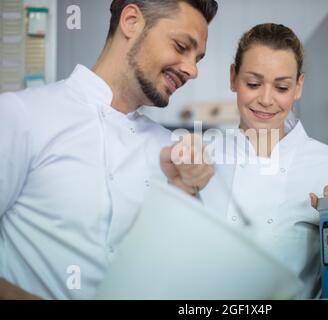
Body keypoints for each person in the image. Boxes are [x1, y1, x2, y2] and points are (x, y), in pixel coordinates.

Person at [0, 0, 217, 299]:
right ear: (131, 21)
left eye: (198, 58)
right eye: (181, 46)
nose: (192, 70)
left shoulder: (171, 151)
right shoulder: (20, 115)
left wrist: (183, 191)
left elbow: (180, 277)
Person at [200, 23, 328, 299]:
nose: (265, 99)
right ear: (233, 77)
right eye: (253, 84)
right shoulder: (200, 158)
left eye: (282, 87)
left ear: (298, 87)